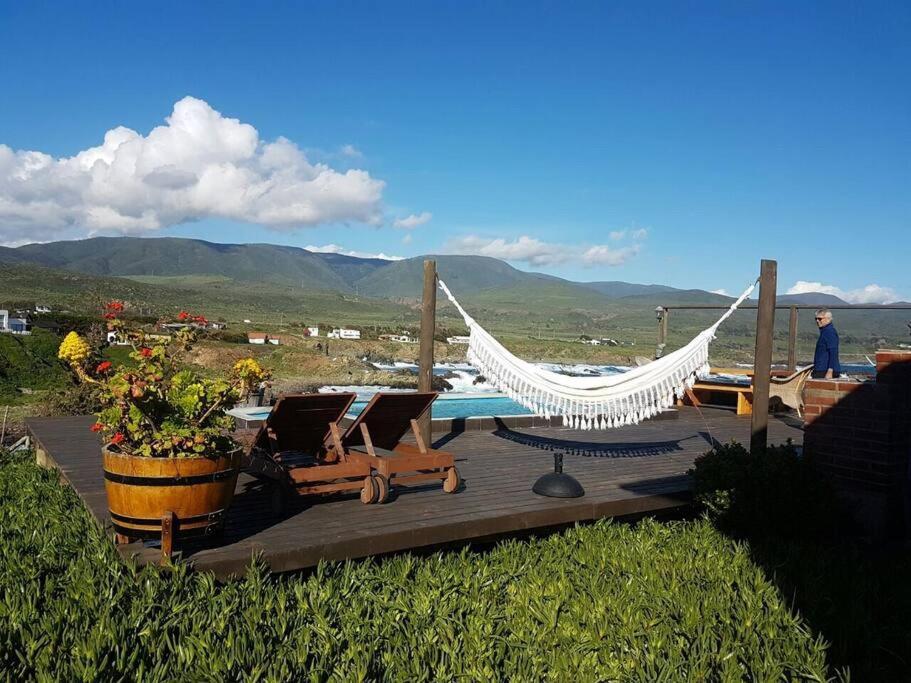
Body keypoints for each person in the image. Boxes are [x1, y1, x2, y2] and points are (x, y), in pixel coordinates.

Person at [812, 308, 840, 378]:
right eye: (816, 319)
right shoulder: (824, 332)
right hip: (821, 369)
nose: (817, 321)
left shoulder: (829, 332)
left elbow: (833, 352)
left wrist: (830, 371)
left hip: (825, 371)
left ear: (828, 319)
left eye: (820, 319)